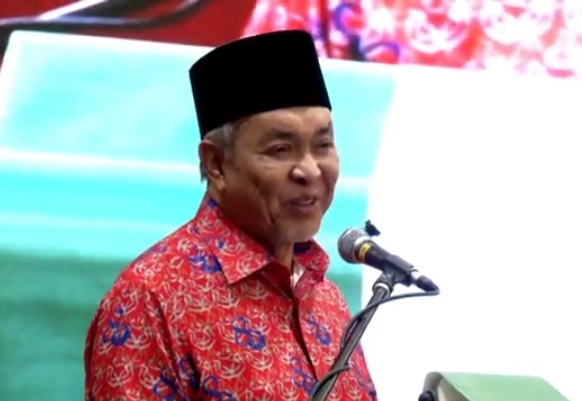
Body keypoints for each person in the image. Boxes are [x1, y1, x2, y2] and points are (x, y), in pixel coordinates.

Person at [84, 30, 377, 401]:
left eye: (323, 145)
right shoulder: (150, 301)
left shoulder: (325, 296)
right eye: (280, 149)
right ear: (216, 163)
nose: (310, 170)